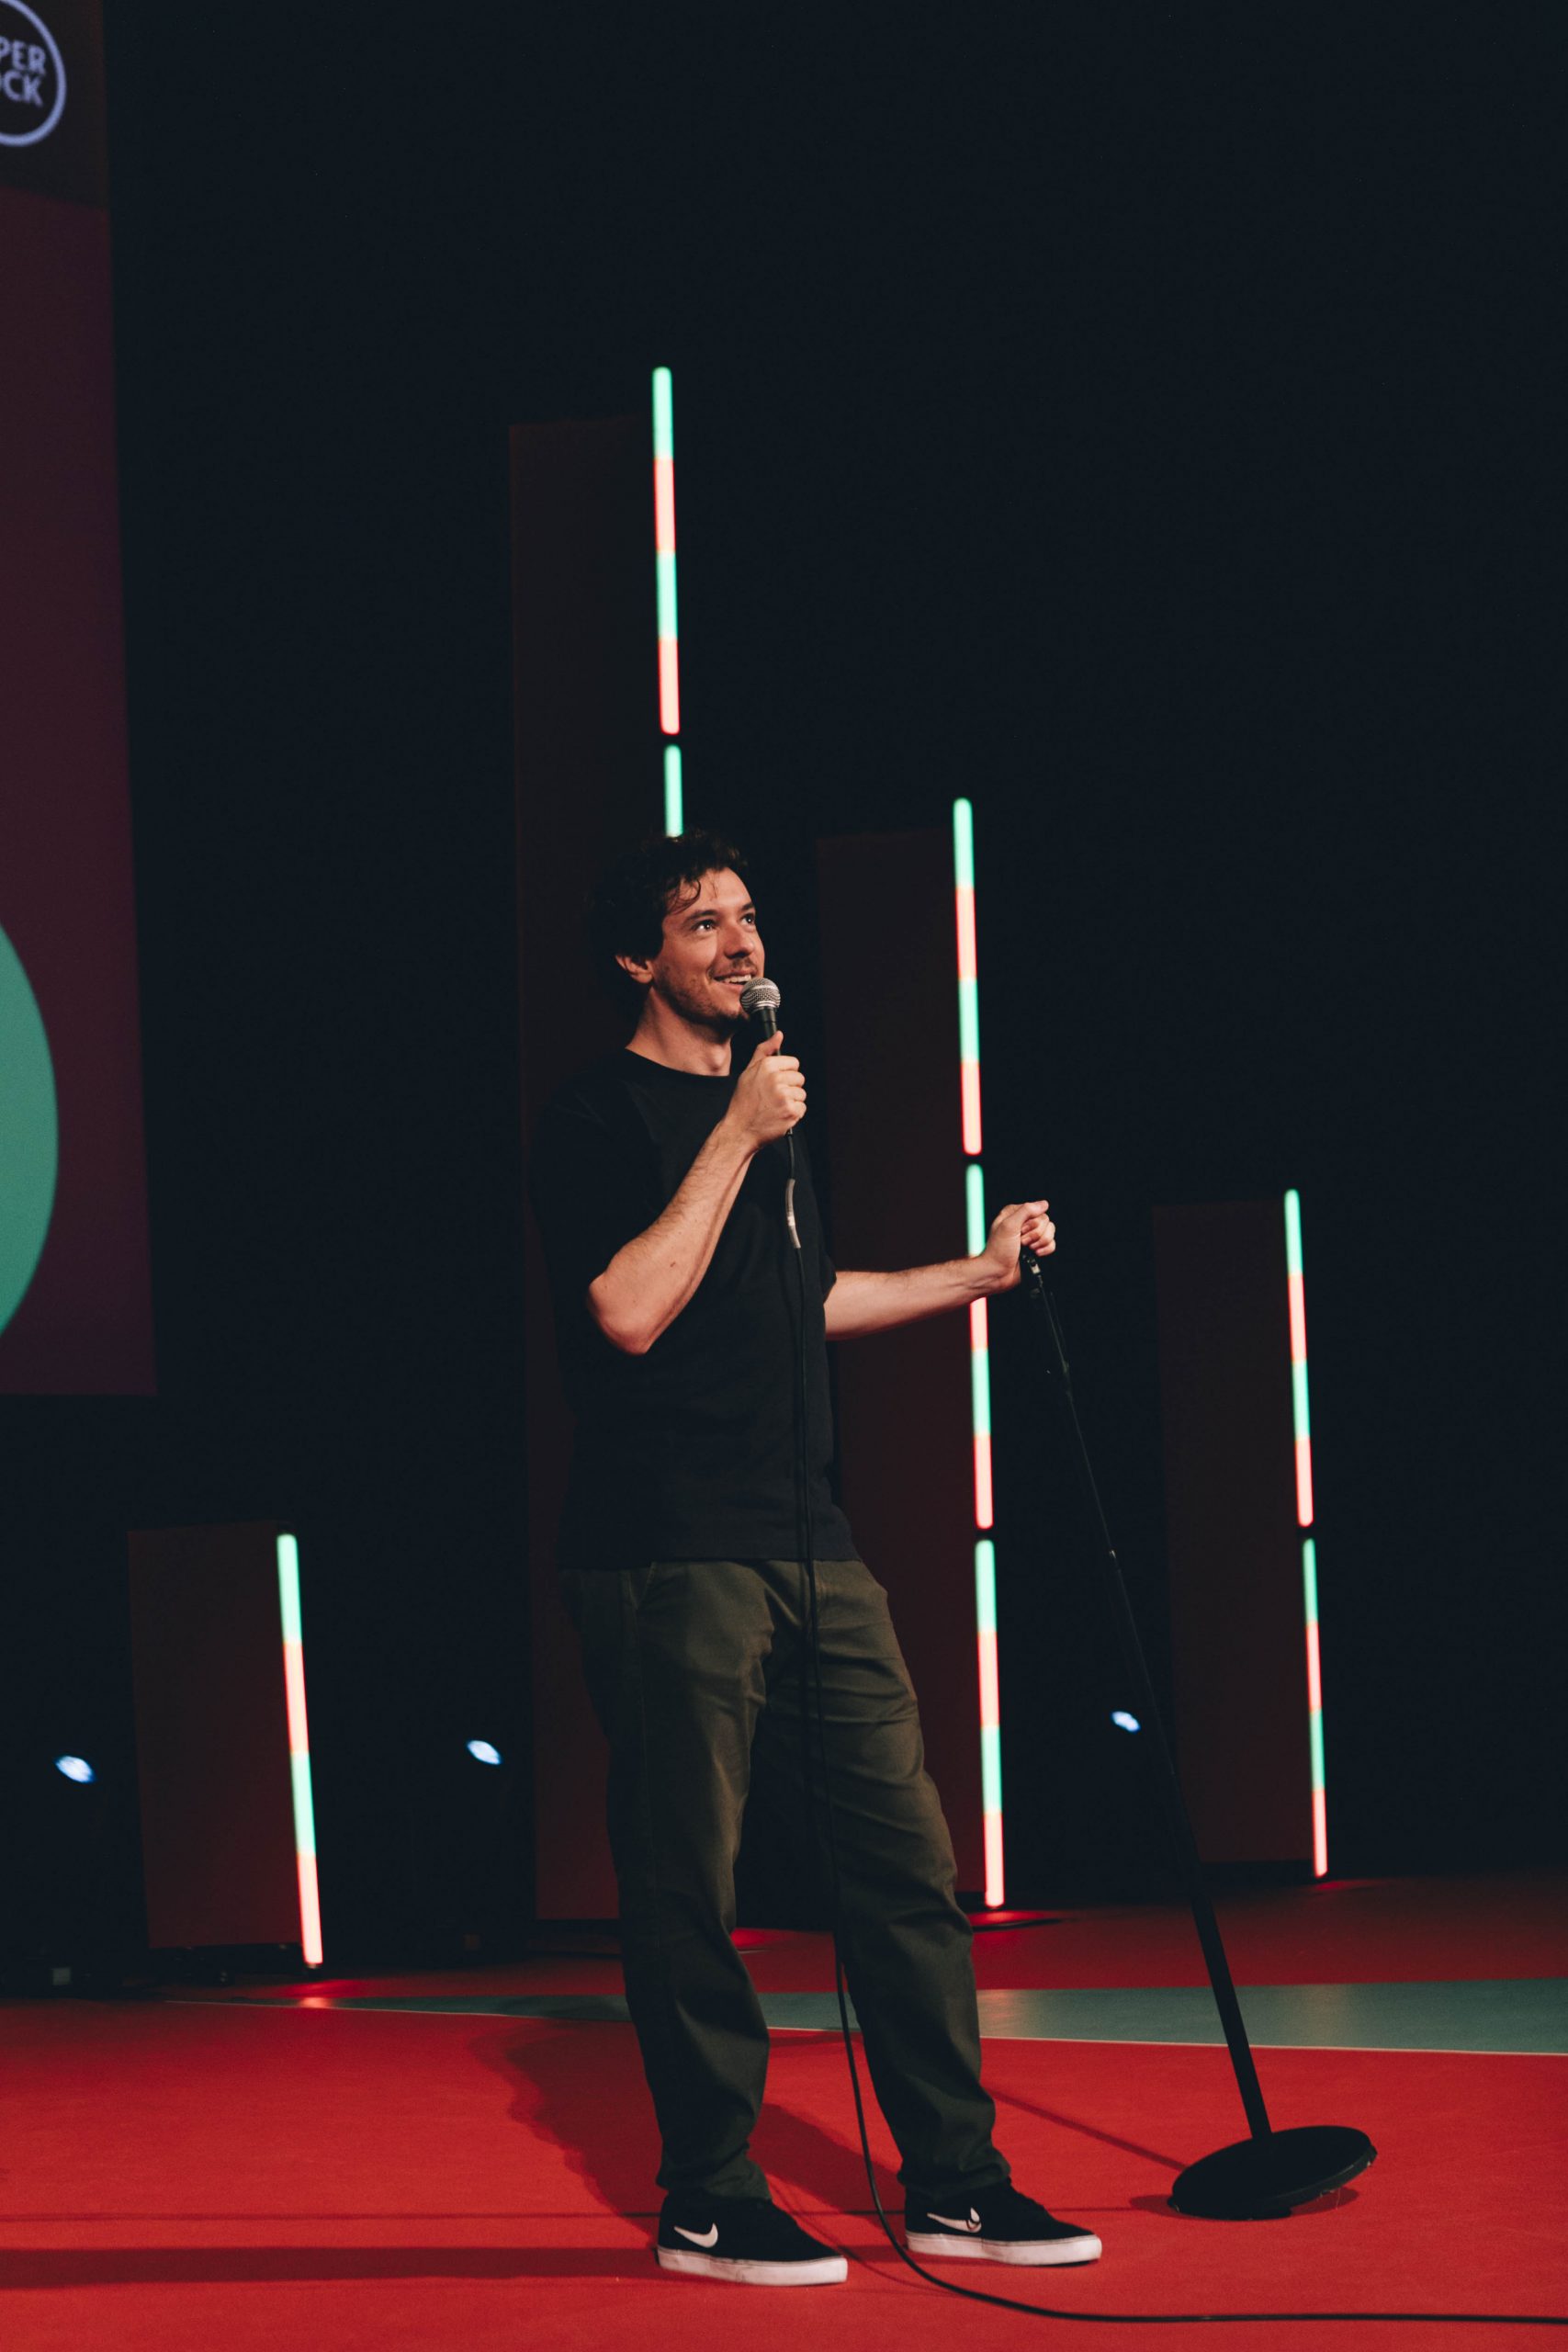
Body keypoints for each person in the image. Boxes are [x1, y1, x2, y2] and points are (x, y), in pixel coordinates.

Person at [528, 830, 1102, 2288]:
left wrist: (976, 1274)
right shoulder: (600, 1115)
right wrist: (733, 1134)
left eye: (748, 916)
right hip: (668, 1552)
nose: (742, 941)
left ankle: (957, 2184)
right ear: (636, 958)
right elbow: (628, 1311)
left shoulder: (770, 1115)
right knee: (689, 1888)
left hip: (813, 1545)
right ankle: (709, 2197)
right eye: (700, 922)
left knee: (907, 1870)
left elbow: (801, 1297)